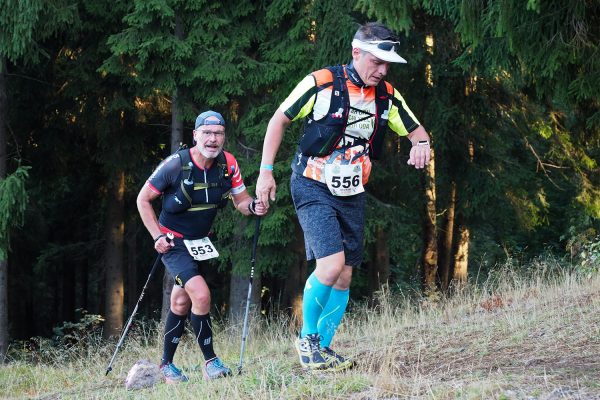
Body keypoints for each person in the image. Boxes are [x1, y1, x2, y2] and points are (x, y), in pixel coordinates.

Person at [256, 22, 431, 372]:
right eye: (376, 62)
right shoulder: (321, 83)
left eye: (387, 65)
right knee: (331, 265)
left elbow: (417, 132)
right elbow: (279, 120)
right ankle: (306, 341)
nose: (382, 70)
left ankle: (321, 346)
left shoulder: (388, 96)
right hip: (311, 184)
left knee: (346, 275)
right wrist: (265, 171)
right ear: (356, 53)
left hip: (352, 191)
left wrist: (421, 147)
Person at [137, 110, 267, 383]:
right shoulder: (175, 165)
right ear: (195, 135)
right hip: (172, 243)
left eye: (218, 133)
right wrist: (156, 237)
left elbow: (240, 201)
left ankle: (166, 366)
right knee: (201, 295)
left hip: (200, 243)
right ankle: (211, 362)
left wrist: (253, 206)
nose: (213, 139)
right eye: (207, 133)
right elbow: (143, 199)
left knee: (181, 299)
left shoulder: (227, 164)